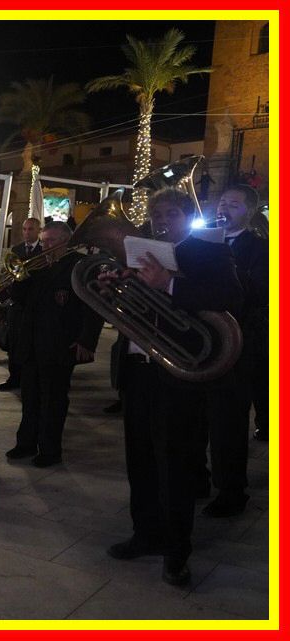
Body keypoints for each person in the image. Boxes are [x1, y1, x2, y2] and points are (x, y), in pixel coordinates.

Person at [106, 187, 243, 586]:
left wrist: (168, 284)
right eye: (157, 214)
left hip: (179, 373)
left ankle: (176, 550)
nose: (162, 220)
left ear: (187, 215)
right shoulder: (142, 251)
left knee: (176, 465)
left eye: (170, 213)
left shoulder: (209, 250)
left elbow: (232, 295)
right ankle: (144, 533)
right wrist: (116, 282)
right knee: (140, 460)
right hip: (139, 370)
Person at [4, 222, 103, 467]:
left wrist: (86, 339)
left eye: (50, 241)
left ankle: (50, 449)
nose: (44, 245)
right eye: (44, 240)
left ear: (65, 241)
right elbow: (18, 299)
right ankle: (25, 442)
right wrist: (19, 278)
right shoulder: (37, 265)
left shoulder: (79, 265)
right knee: (29, 396)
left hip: (60, 343)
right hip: (31, 343)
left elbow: (93, 305)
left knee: (53, 399)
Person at [199, 185, 268, 517]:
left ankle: (231, 490)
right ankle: (198, 476)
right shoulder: (199, 241)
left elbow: (262, 294)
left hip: (237, 344)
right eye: (223, 202)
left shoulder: (262, 249)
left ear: (249, 212)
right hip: (200, 342)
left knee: (228, 421)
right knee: (195, 417)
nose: (225, 208)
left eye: (234, 204)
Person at [0, 217, 43, 391]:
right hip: (16, 303)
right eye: (24, 229)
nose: (26, 233)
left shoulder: (43, 250)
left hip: (33, 303)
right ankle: (14, 377)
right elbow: (10, 272)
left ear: (38, 231)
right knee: (14, 342)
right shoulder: (16, 249)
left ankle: (28, 378)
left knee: (30, 343)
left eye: (30, 229)